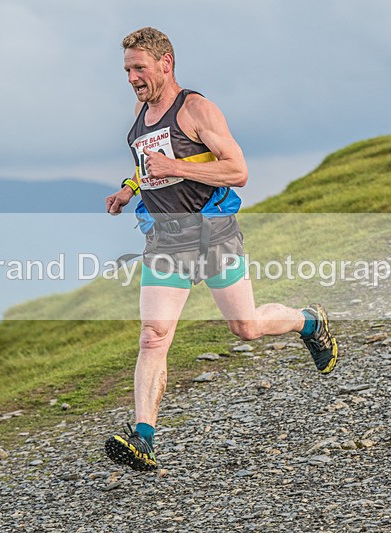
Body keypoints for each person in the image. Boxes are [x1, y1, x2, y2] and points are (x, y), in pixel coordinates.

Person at [103, 27, 338, 471]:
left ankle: (308, 322)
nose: (132, 78)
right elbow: (147, 163)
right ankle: (144, 437)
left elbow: (238, 169)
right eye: (127, 70)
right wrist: (129, 188)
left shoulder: (197, 109)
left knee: (245, 327)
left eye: (139, 68)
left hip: (214, 236)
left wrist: (172, 166)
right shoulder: (140, 111)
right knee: (153, 336)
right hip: (167, 240)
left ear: (165, 63)